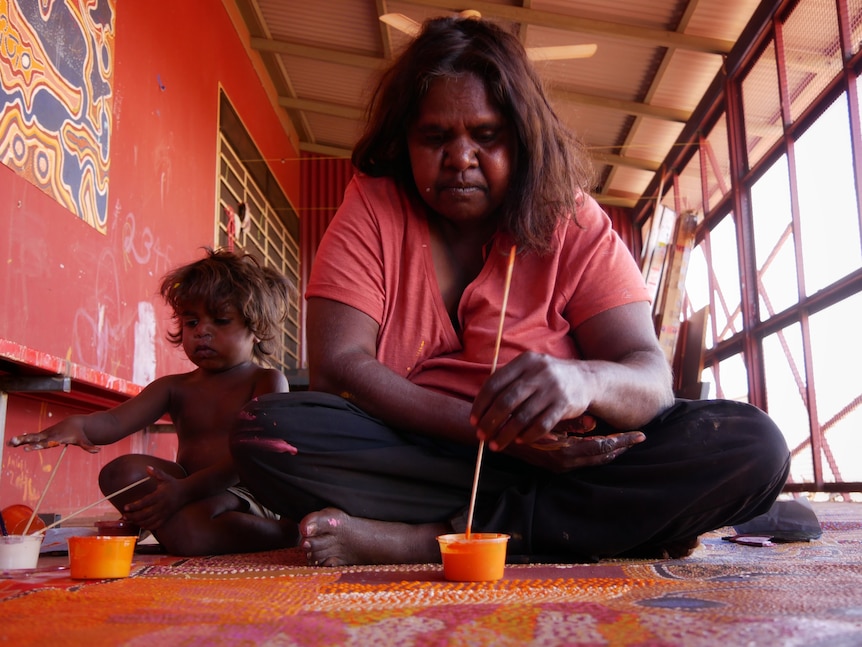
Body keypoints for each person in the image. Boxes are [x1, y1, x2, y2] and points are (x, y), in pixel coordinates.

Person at [229, 15, 791, 566]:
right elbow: (339, 365)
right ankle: (597, 526)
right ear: (405, 141)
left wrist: (583, 380)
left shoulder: (572, 220)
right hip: (426, 450)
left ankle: (427, 540)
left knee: (751, 445)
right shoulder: (374, 207)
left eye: (487, 135)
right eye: (435, 137)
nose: (461, 159)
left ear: (523, 138)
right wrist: (491, 433)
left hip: (569, 455)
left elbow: (649, 376)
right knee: (268, 432)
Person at [9, 247, 298, 556]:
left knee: (192, 529)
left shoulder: (267, 381)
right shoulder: (175, 387)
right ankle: (181, 526)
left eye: (221, 320)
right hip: (186, 488)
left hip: (244, 493)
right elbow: (114, 422)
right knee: (118, 474)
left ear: (256, 330)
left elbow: (253, 457)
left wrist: (185, 492)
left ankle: (281, 534)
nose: (202, 332)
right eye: (191, 322)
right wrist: (77, 426)